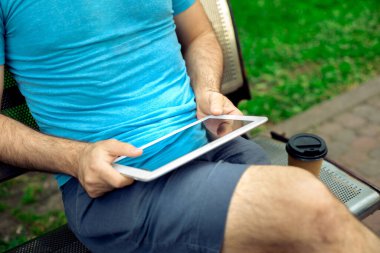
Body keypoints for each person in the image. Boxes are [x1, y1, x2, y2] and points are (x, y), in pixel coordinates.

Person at [0, 0, 379, 252]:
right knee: (303, 201)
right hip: (120, 187)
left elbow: (199, 35)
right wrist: (76, 157)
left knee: (298, 233)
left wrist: (207, 92)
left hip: (208, 144)